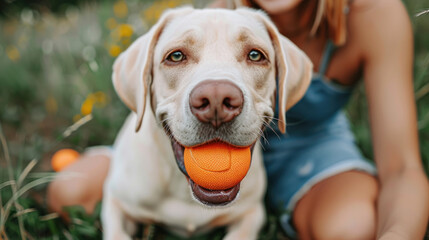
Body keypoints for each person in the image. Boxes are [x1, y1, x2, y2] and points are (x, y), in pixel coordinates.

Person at [48, 0, 429, 239]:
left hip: (312, 158)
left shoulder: (374, 13)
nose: (216, 100)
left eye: (256, 56)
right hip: (186, 154)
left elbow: (402, 167)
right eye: (178, 57)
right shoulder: (217, 15)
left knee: (353, 228)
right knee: (68, 192)